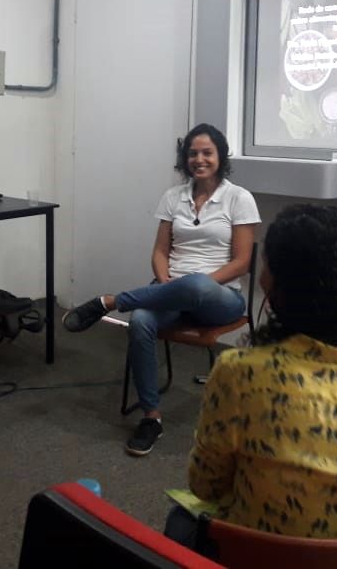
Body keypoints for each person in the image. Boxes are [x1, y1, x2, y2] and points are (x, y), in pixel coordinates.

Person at [164, 204, 337, 550]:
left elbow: (206, 487)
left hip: (257, 559)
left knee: (181, 519)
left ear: (274, 285)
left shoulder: (240, 374)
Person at [64, 123, 259, 456]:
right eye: (193, 153)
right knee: (141, 320)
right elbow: (160, 251)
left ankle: (110, 301)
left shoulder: (239, 198)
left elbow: (242, 263)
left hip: (220, 298)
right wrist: (167, 284)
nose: (199, 159)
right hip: (172, 291)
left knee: (196, 284)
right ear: (185, 159)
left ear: (220, 156)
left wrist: (192, 286)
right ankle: (151, 417)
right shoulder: (173, 197)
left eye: (207, 152)